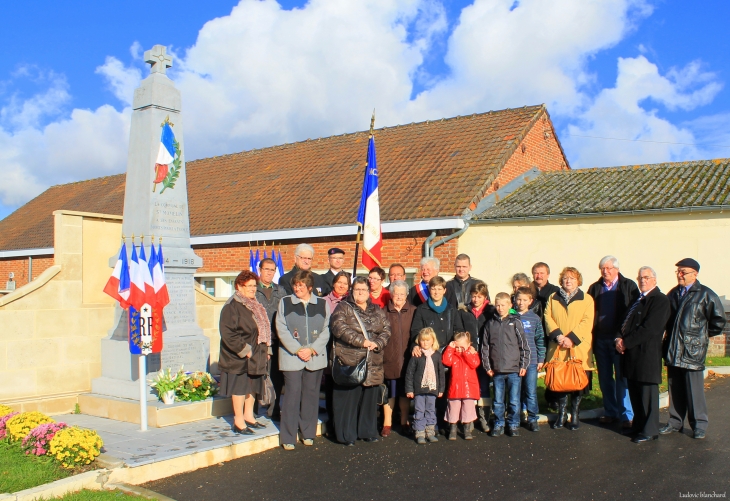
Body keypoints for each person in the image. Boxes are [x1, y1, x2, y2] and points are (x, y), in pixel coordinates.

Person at [660, 258, 727, 440]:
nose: (680, 275)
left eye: (684, 272)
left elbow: (718, 321)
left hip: (692, 351)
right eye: (678, 272)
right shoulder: (673, 294)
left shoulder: (705, 294)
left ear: (695, 274)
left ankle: (699, 425)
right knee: (675, 388)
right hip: (674, 348)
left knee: (694, 390)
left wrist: (700, 337)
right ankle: (675, 421)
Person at [330, 276, 391, 446]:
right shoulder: (343, 308)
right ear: (352, 290)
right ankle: (346, 435)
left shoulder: (377, 310)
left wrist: (377, 343)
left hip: (372, 361)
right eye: (357, 289)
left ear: (369, 292)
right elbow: (339, 328)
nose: (361, 293)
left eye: (364, 290)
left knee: (369, 400)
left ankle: (367, 431)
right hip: (351, 360)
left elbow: (386, 329)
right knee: (349, 400)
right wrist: (362, 342)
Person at [275, 270, 331, 450]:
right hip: (292, 357)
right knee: (292, 396)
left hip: (314, 357)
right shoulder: (285, 303)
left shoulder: (322, 304)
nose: (296, 288)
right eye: (295, 285)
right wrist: (298, 349)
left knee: (311, 396)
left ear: (310, 287)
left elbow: (326, 330)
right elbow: (281, 328)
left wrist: (312, 349)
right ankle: (288, 437)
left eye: (300, 285)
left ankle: (307, 433)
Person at [615, 266, 670, 443]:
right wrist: (618, 338)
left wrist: (626, 342)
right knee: (635, 393)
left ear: (654, 279)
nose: (642, 281)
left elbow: (650, 328)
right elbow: (624, 322)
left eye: (646, 277)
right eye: (640, 278)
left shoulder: (660, 300)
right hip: (631, 355)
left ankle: (650, 429)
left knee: (647, 394)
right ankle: (638, 426)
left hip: (646, 354)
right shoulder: (637, 299)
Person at [587, 256, 639, 429]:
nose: (605, 271)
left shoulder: (628, 286)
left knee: (622, 377)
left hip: (619, 340)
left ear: (616, 269)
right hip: (600, 338)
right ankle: (610, 412)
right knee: (604, 377)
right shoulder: (595, 288)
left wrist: (626, 338)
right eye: (602, 268)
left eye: (608, 268)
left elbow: (634, 313)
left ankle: (627, 415)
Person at [218, 270, 272, 436]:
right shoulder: (232, 306)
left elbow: (263, 329)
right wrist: (245, 351)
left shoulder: (255, 304)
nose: (252, 289)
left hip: (257, 354)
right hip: (238, 357)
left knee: (253, 386)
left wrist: (266, 349)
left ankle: (249, 416)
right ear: (239, 287)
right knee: (240, 388)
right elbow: (228, 333)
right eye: (248, 286)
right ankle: (238, 420)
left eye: (254, 285)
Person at [545, 267, 595, 431]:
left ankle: (575, 414)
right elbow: (547, 317)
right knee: (560, 381)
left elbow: (587, 321)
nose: (568, 281)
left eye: (572, 279)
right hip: (558, 346)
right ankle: (562, 414)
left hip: (578, 346)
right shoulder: (553, 297)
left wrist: (571, 339)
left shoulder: (587, 299)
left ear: (578, 281)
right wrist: (559, 336)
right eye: (566, 278)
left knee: (577, 382)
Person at [482, 292, 529, 437]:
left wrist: (523, 365)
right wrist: (488, 367)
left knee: (514, 401)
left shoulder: (515, 322)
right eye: (497, 305)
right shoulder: (490, 324)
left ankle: (513, 424)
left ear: (510, 305)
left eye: (503, 305)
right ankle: (499, 423)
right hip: (497, 370)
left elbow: (524, 346)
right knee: (498, 401)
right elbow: (485, 347)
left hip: (514, 370)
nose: (500, 308)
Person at [456, 280, 494, 433]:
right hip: (468, 355)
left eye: (479, 296)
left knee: (484, 387)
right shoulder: (464, 311)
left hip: (485, 355)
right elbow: (458, 330)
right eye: (473, 296)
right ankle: (469, 419)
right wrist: (466, 345)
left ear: (485, 297)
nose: (476, 299)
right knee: (469, 387)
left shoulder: (490, 311)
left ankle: (484, 417)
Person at [382, 280, 415, 437]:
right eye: (397, 294)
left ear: (406, 295)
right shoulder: (383, 312)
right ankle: (387, 423)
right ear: (391, 294)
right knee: (390, 394)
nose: (399, 297)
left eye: (402, 294)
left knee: (404, 393)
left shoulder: (414, 311)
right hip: (390, 359)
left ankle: (404, 421)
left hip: (408, 359)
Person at [255, 258, 287, 418]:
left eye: (272, 270)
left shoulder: (280, 291)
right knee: (256, 374)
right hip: (258, 341)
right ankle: (253, 409)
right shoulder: (252, 289)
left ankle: (273, 409)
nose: (269, 272)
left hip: (276, 340)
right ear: (260, 269)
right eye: (266, 269)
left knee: (276, 376)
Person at [405, 327, 445, 445]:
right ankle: (420, 432)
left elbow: (440, 373)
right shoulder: (416, 355)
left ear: (433, 341)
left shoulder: (437, 355)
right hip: (419, 389)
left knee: (431, 410)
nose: (425, 343)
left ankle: (430, 431)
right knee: (419, 410)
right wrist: (409, 389)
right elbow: (410, 373)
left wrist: (441, 389)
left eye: (428, 340)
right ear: (419, 341)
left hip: (432, 389)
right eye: (423, 340)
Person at [322, 271, 350, 437]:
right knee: (331, 388)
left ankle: (343, 423)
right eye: (339, 282)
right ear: (333, 283)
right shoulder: (324, 302)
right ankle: (332, 424)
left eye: (345, 283)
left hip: (346, 351)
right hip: (329, 349)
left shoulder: (350, 302)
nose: (342, 285)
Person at [514, 287, 545, 431]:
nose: (521, 302)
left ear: (530, 301)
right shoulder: (511, 316)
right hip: (514, 361)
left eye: (524, 300)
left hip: (531, 361)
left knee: (531, 392)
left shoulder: (535, 318)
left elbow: (540, 339)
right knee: (516, 391)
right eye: (519, 299)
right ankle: (516, 416)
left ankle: (533, 418)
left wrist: (541, 358)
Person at [532, 261, 562, 411]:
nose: (539, 276)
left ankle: (552, 398)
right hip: (531, 335)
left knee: (551, 367)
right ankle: (530, 400)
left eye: (542, 273)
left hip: (550, 334)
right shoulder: (528, 289)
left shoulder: (555, 291)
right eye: (536, 273)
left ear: (548, 275)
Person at [442, 332, 481, 440]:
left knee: (468, 409)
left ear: (469, 345)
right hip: (456, 387)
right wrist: (450, 348)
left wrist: (467, 352)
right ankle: (453, 429)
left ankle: (467, 429)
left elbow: (474, 363)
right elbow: (446, 361)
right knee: (453, 408)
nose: (459, 349)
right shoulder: (453, 355)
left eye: (462, 347)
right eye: (457, 347)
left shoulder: (471, 354)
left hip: (469, 388)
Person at [410, 276, 461, 352]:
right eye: (433, 289)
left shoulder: (452, 309)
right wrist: (415, 345)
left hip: (449, 351)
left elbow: (459, 330)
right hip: (429, 352)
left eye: (439, 289)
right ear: (429, 290)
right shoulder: (421, 309)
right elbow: (415, 331)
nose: (436, 292)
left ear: (444, 290)